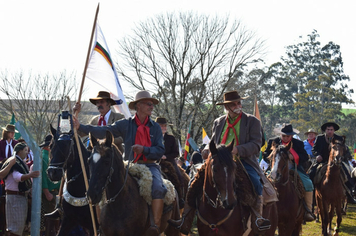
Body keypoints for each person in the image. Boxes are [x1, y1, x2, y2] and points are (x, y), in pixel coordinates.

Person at [169, 90, 276, 233]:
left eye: (239, 102)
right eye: (234, 104)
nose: (238, 105)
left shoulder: (252, 121)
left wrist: (237, 150)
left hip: (243, 162)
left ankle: (257, 218)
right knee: (192, 181)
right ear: (227, 107)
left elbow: (256, 144)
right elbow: (213, 141)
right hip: (219, 161)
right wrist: (207, 149)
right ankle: (186, 220)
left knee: (256, 182)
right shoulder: (218, 122)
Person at [73, 90, 166, 236]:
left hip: (150, 165)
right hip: (129, 165)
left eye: (152, 104)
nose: (152, 107)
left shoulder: (155, 127)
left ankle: (155, 225)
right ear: (139, 106)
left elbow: (160, 150)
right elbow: (104, 130)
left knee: (159, 188)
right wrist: (81, 127)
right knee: (103, 184)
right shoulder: (125, 124)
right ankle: (100, 224)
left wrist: (144, 149)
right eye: (149, 104)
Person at [264, 123, 315, 221]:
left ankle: (308, 210)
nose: (286, 138)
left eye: (288, 136)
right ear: (280, 134)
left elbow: (305, 157)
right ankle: (261, 209)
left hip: (293, 169)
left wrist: (294, 157)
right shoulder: (273, 141)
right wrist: (272, 156)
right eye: (283, 136)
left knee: (308, 184)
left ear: (291, 135)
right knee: (261, 182)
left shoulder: (298, 143)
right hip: (275, 168)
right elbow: (266, 155)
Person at [310, 122, 356, 204]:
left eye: (331, 130)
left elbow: (346, 150)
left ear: (334, 130)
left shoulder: (339, 138)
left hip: (337, 163)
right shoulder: (319, 138)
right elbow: (314, 149)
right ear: (325, 130)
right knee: (311, 174)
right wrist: (317, 155)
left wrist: (348, 158)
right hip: (322, 161)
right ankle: (312, 196)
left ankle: (349, 195)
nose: (330, 131)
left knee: (348, 175)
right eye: (328, 130)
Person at [2, 143, 40, 236]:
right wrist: (30, 175)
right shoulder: (15, 162)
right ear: (20, 151)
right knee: (16, 228)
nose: (27, 153)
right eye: (25, 150)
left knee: (16, 227)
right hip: (16, 197)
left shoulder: (17, 161)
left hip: (16, 197)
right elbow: (17, 177)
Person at [155, 117, 185, 208]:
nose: (163, 127)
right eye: (161, 126)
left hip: (169, 162)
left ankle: (181, 198)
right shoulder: (153, 137)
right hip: (156, 161)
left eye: (165, 126)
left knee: (179, 176)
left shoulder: (171, 138)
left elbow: (176, 153)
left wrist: (166, 156)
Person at [40, 135, 61, 236]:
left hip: (55, 191)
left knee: (55, 218)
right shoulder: (44, 157)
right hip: (50, 192)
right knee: (50, 219)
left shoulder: (48, 156)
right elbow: (43, 176)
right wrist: (46, 191)